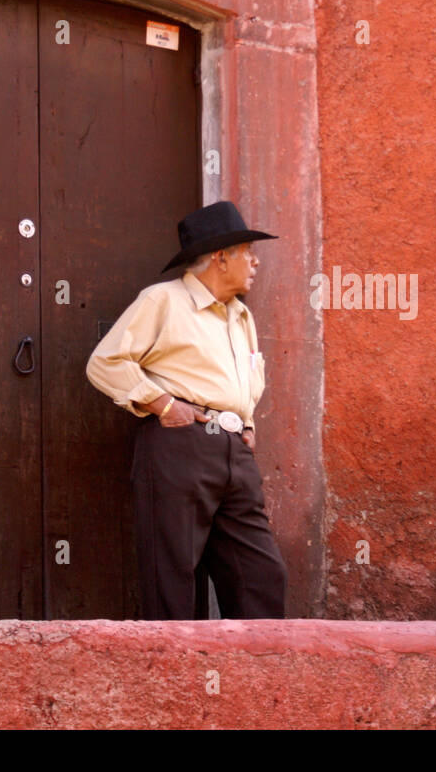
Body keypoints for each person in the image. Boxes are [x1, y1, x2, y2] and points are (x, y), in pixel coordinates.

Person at [85, 200, 287, 619]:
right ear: (220, 257)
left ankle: (254, 675)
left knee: (261, 574)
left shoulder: (241, 315)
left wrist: (246, 424)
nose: (254, 263)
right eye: (248, 253)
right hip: (181, 443)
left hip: (235, 451)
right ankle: (176, 677)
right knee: (173, 574)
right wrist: (160, 403)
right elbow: (105, 362)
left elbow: (248, 378)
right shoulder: (163, 300)